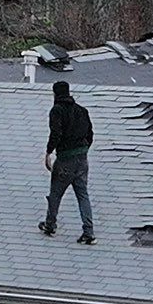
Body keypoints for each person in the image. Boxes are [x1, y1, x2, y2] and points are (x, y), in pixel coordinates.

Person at [40, 80, 95, 243]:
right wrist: (83, 150)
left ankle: (50, 224)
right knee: (83, 195)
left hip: (65, 159)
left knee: (56, 193)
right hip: (82, 159)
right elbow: (90, 134)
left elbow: (56, 133)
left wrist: (49, 152)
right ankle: (89, 232)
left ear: (55, 94)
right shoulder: (82, 111)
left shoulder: (57, 111)